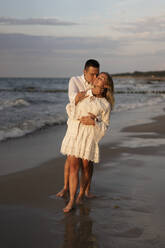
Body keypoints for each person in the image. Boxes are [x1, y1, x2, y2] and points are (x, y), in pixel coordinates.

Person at [61, 72, 115, 212]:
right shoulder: (84, 93)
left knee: (85, 167)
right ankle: (71, 200)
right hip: (75, 133)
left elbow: (105, 126)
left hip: (88, 137)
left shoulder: (105, 105)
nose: (98, 78)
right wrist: (78, 100)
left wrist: (94, 121)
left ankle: (81, 194)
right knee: (73, 167)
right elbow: (71, 111)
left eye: (102, 78)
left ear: (106, 86)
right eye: (98, 76)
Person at [56, 59, 100, 198]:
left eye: (97, 74)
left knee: (88, 160)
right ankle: (65, 187)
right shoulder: (74, 80)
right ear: (84, 71)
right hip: (75, 124)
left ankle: (86, 189)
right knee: (71, 159)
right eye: (92, 74)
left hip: (90, 126)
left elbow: (101, 105)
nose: (95, 78)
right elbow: (74, 98)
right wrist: (92, 92)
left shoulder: (98, 83)